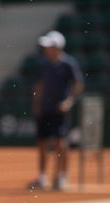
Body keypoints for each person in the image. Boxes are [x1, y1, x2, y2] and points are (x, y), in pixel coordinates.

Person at [28, 31, 85, 192]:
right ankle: (42, 178)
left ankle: (62, 177)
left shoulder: (69, 64)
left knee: (61, 143)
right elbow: (39, 86)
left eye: (49, 46)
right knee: (42, 143)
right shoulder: (44, 64)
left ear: (57, 47)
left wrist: (69, 101)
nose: (46, 49)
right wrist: (36, 103)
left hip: (59, 110)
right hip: (44, 109)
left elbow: (78, 84)